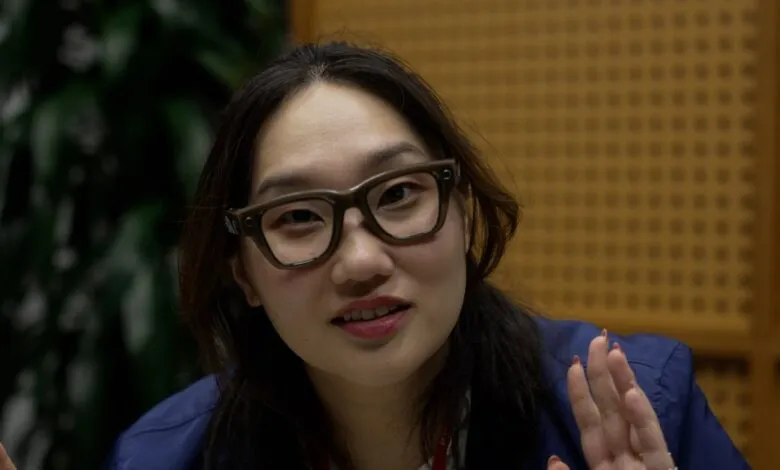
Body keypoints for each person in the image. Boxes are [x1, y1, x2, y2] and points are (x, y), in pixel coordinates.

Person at [0, 42, 749, 470]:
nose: (360, 260)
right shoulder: (164, 459)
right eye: (298, 217)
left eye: (398, 195)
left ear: (461, 212)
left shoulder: (641, 407)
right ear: (244, 273)